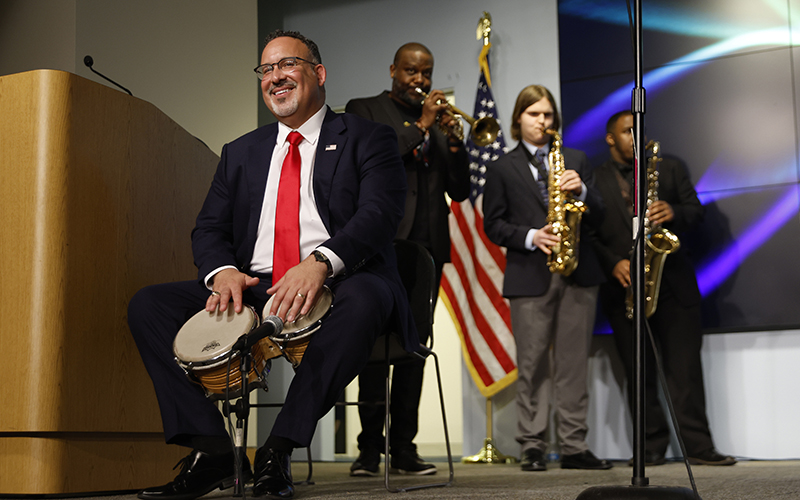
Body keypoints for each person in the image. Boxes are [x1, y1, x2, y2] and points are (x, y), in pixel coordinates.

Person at [128, 30, 415, 500]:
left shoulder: (368, 138)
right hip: (258, 286)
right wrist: (221, 271)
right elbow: (209, 229)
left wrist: (320, 262)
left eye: (288, 65)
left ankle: (277, 449)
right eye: (266, 70)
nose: (275, 77)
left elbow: (379, 215)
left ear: (318, 74)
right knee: (149, 305)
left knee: (365, 298)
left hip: (344, 282)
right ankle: (215, 449)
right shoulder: (240, 152)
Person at [344, 42, 469, 477]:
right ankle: (367, 451)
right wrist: (423, 124)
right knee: (375, 348)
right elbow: (364, 160)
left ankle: (404, 449)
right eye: (412, 71)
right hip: (381, 246)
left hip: (427, 250)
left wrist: (454, 144)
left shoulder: (438, 125)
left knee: (414, 348)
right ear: (393, 69)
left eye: (427, 72)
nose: (420, 80)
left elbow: (462, 191)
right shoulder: (365, 109)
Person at [591, 110, 736, 466]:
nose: (635, 138)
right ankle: (650, 449)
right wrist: (613, 262)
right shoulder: (593, 178)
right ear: (611, 138)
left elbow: (695, 211)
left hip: (673, 285)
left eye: (638, 131)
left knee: (685, 372)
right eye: (627, 132)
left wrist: (673, 211)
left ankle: (699, 448)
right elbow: (589, 234)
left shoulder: (668, 168)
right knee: (638, 374)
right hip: (624, 286)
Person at [482, 85, 611, 472]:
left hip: (577, 273)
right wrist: (530, 236)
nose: (542, 121)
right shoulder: (502, 166)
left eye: (548, 115)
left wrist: (583, 190)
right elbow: (493, 224)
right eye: (534, 114)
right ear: (518, 119)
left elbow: (601, 213)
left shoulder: (576, 159)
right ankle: (533, 445)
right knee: (533, 363)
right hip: (529, 275)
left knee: (573, 365)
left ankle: (574, 445)